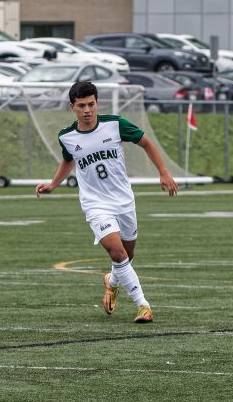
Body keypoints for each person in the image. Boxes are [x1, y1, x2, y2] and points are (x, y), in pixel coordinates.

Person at [35, 80, 178, 323]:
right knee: (117, 252)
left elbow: (146, 142)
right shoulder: (67, 137)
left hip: (123, 200)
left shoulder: (114, 124)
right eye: (81, 105)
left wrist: (163, 172)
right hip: (95, 204)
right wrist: (53, 184)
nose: (87, 110)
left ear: (97, 103)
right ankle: (143, 305)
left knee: (127, 255)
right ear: (73, 107)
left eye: (91, 104)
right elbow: (69, 160)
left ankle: (111, 282)